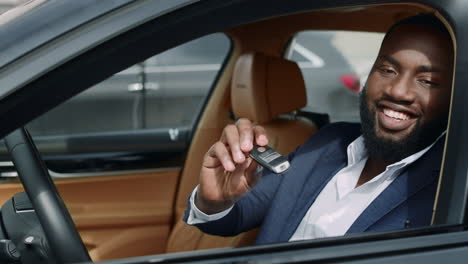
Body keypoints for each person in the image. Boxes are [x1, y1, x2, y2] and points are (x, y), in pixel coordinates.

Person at [183, 14, 454, 244]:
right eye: (387, 70)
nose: (398, 91)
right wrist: (213, 202)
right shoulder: (327, 141)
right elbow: (237, 217)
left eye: (427, 81)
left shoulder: (452, 184)